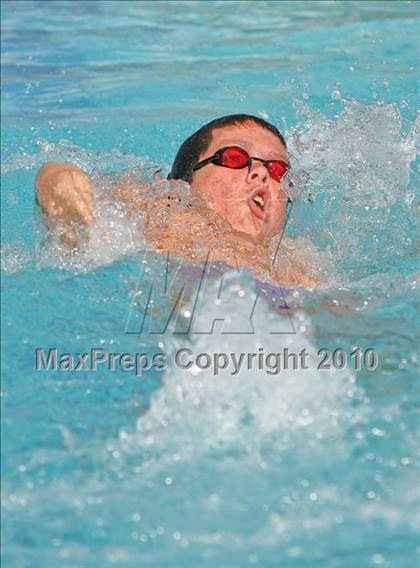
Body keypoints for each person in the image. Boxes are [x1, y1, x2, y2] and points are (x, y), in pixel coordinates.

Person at [35, 114, 315, 288]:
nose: (262, 172)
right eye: (235, 158)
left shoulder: (301, 267)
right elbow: (58, 182)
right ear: (181, 183)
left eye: (278, 170)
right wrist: (63, 190)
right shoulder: (163, 209)